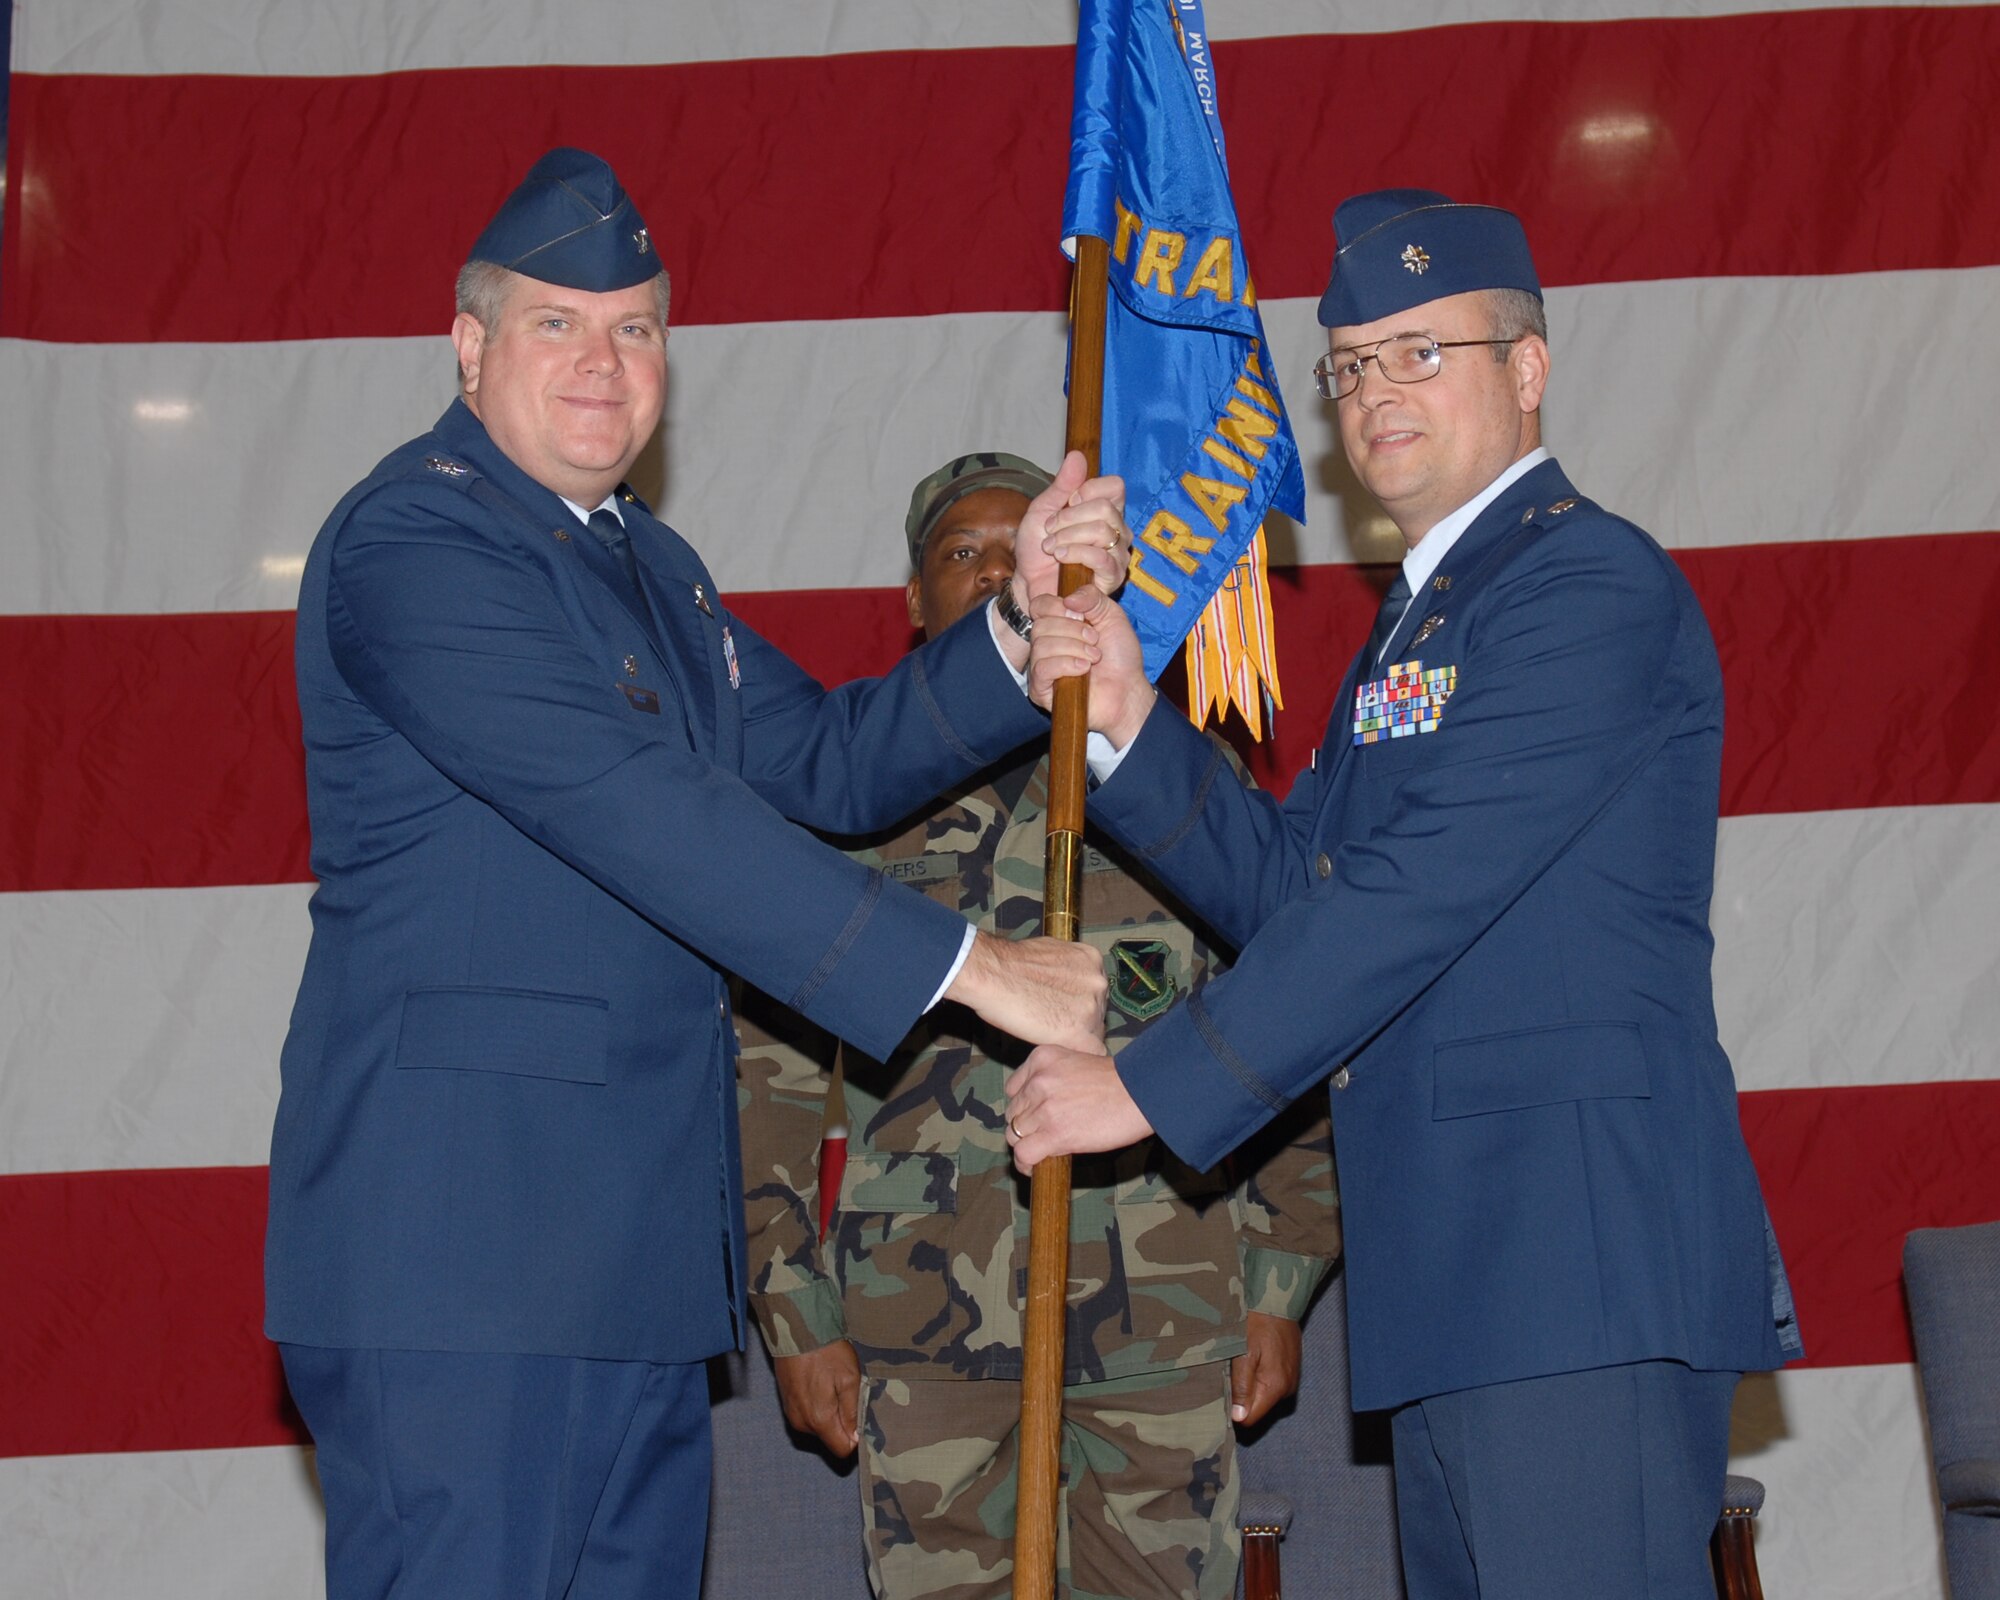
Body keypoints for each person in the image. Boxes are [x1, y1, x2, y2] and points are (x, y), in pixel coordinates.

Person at [264, 149, 1131, 1600]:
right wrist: (977, 972)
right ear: (468, 346)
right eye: (558, 324)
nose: (604, 363)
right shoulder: (416, 539)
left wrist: (1013, 624)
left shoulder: (649, 567)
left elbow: (828, 762)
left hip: (634, 1267)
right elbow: (636, 808)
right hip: (466, 1264)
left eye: (637, 327)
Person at [1005, 190, 1804, 1600]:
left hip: (1575, 1271)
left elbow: (1414, 894)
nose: (1377, 392)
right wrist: (1131, 724)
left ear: (1529, 367)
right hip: (1457, 1278)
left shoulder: (1583, 586)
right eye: (1353, 363)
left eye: (1422, 351)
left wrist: (1149, 1087)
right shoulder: (1420, 625)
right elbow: (1298, 887)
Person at [734, 452, 1340, 1600]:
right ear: (915, 604)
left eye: (1025, 547)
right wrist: (794, 1312)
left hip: (1160, 1333)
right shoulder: (850, 798)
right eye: (961, 556)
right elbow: (759, 1084)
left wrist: (1277, 1277)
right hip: (923, 1339)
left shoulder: (1172, 775)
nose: (992, 572)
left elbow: (1296, 1012)